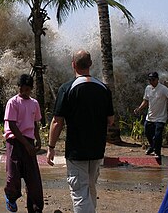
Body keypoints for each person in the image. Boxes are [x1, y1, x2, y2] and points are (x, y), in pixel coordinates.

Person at [47, 50, 114, 213]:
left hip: (77, 150)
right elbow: (110, 120)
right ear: (90, 64)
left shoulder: (67, 88)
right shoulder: (103, 89)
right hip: (97, 149)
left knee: (79, 192)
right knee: (90, 188)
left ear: (73, 64)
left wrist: (51, 147)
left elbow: (57, 121)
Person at [3, 74, 44, 213]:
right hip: (15, 141)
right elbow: (12, 125)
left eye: (28, 89)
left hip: (29, 140)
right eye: (23, 89)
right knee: (13, 174)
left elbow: (34, 123)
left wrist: (37, 139)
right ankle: (11, 196)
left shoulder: (34, 103)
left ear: (31, 89)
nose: (25, 92)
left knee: (33, 179)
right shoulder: (13, 102)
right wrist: (27, 145)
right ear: (19, 87)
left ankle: (35, 208)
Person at [134, 72, 168, 159]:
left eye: (153, 79)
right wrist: (139, 108)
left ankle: (157, 152)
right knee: (147, 133)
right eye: (149, 80)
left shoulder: (163, 89)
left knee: (158, 135)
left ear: (157, 79)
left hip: (160, 117)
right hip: (150, 116)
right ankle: (152, 147)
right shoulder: (148, 88)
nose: (151, 81)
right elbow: (145, 100)